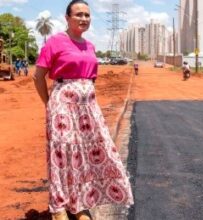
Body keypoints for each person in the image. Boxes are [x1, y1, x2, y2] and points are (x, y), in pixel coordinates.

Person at [32, 1, 133, 219]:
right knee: (63, 155)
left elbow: (91, 79)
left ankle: (79, 202)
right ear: (67, 17)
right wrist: (49, 104)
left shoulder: (90, 46)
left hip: (88, 108)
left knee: (86, 154)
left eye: (87, 15)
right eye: (79, 14)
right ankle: (59, 207)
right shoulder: (56, 42)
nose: (84, 18)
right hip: (62, 107)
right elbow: (38, 76)